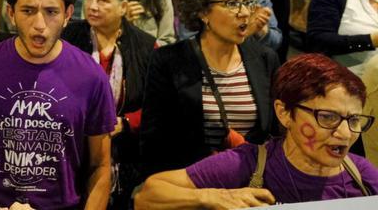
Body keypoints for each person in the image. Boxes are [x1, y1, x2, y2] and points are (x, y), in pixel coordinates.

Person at [0, 0, 115, 209]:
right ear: (11, 13)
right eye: (28, 11)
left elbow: (101, 166)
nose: (39, 24)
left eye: (51, 12)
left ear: (68, 15)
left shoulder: (91, 77)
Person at [136, 54, 378, 207]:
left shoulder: (363, 175)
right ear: (284, 113)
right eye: (328, 117)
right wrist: (212, 197)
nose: (345, 133)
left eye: (354, 120)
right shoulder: (247, 164)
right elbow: (148, 195)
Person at [140, 0, 280, 176]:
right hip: (190, 182)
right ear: (203, 12)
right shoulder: (168, 61)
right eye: (232, 3)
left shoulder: (265, 59)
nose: (244, 12)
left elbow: (273, 134)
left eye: (248, 2)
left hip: (250, 182)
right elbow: (154, 141)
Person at [60, 0, 156, 209]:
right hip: (73, 149)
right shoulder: (67, 37)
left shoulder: (145, 46)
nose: (92, 6)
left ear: (123, 7)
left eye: (102, 0)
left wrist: (125, 122)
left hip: (127, 156)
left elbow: (160, 105)